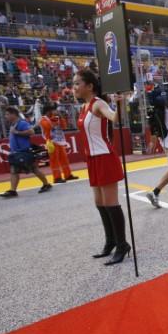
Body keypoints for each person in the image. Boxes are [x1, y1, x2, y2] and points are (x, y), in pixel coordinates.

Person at [73, 69, 130, 266]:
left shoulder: (99, 103)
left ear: (90, 86)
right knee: (99, 202)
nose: (74, 88)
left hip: (104, 156)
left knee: (111, 203)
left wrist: (120, 103)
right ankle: (111, 241)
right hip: (92, 159)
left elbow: (115, 119)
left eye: (77, 83)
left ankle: (122, 245)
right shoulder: (83, 107)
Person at [0, 106, 53, 198]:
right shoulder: (13, 124)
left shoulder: (21, 123)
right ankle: (13, 190)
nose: (5, 116)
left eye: (7, 114)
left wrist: (16, 132)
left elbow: (31, 132)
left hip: (24, 152)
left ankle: (46, 184)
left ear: (13, 114)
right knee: (13, 171)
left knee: (34, 169)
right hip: (16, 153)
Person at [40, 104, 77, 184]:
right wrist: (55, 119)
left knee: (64, 159)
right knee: (54, 161)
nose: (55, 111)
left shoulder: (57, 117)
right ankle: (57, 178)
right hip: (51, 142)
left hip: (60, 141)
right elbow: (49, 127)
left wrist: (60, 117)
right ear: (49, 111)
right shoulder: (43, 119)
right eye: (53, 110)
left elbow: (64, 127)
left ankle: (68, 175)